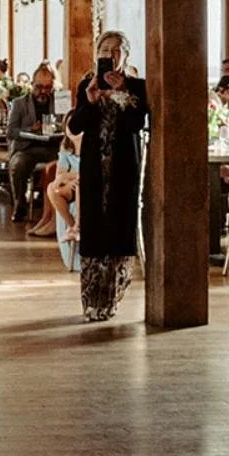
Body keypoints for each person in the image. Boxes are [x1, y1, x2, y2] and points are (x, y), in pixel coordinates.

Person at [68, 30, 148, 322]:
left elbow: (138, 122)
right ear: (97, 53)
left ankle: (111, 299)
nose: (110, 55)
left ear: (125, 55)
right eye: (105, 49)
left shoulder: (138, 86)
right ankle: (90, 300)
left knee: (118, 227)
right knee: (93, 229)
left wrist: (121, 94)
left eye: (116, 50)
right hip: (93, 166)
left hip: (123, 165)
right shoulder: (86, 84)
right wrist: (89, 101)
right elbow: (75, 127)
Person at [5, 66, 62, 220]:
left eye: (47, 87)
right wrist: (31, 129)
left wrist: (58, 127)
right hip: (27, 148)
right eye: (39, 87)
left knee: (66, 163)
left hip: (52, 147)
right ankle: (20, 204)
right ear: (31, 85)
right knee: (18, 165)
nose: (43, 91)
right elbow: (11, 132)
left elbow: (68, 126)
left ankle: (55, 207)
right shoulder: (19, 103)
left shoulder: (59, 102)